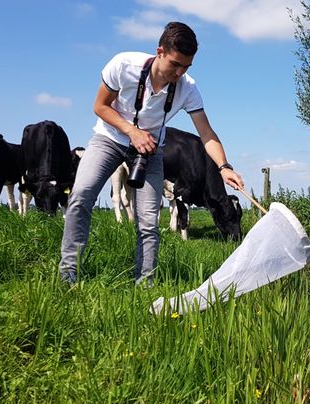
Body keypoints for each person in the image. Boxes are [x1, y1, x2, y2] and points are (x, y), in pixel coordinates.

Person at [60, 22, 244, 285]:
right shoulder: (123, 65)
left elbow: (207, 133)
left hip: (150, 151)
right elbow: (100, 106)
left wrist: (224, 167)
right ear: (159, 52)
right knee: (81, 195)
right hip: (109, 138)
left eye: (187, 67)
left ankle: (144, 284)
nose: (179, 73)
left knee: (148, 221)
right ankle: (69, 274)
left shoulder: (188, 88)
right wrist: (131, 131)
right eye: (175, 64)